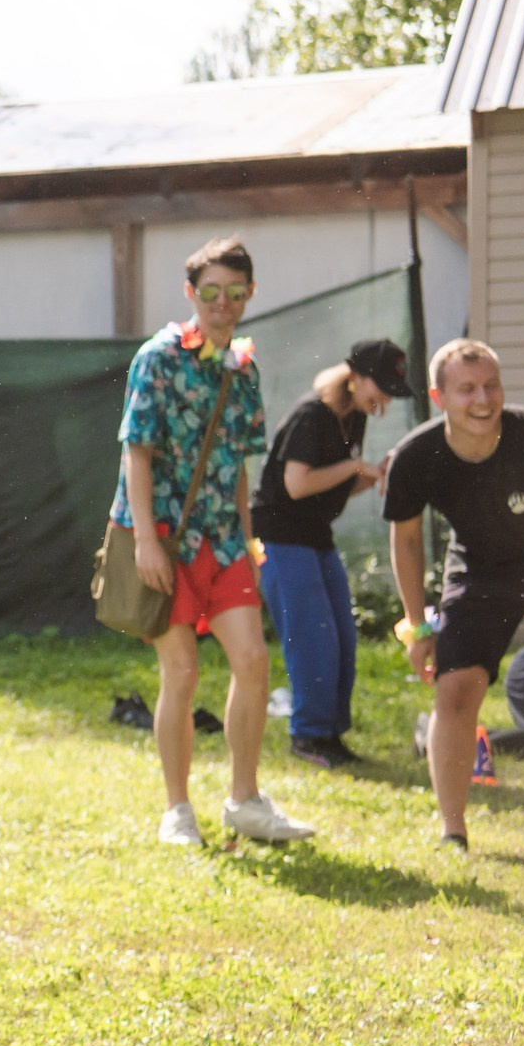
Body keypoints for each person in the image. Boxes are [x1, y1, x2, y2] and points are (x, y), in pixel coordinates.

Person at [111, 235, 315, 847]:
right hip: (165, 536)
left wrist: (249, 544)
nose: (221, 303)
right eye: (209, 293)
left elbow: (240, 467)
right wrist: (146, 540)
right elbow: (136, 452)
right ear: (190, 294)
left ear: (249, 294)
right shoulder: (157, 358)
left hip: (225, 540)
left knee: (253, 661)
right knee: (182, 671)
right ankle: (178, 810)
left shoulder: (244, 368)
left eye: (233, 293)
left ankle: (245, 801)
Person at [382, 339, 524, 851]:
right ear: (438, 395)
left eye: (491, 385)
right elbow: (405, 541)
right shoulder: (415, 457)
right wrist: (417, 628)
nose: (483, 399)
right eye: (466, 388)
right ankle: (453, 830)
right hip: (479, 570)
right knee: (456, 689)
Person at [249, 341, 408, 768]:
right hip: (280, 538)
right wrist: (356, 467)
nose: (386, 399)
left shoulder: (353, 417)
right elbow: (298, 483)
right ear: (354, 376)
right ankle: (308, 736)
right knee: (313, 636)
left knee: (342, 634)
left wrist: (371, 474)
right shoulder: (311, 415)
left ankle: (330, 734)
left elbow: (334, 482)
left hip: (316, 536)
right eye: (383, 387)